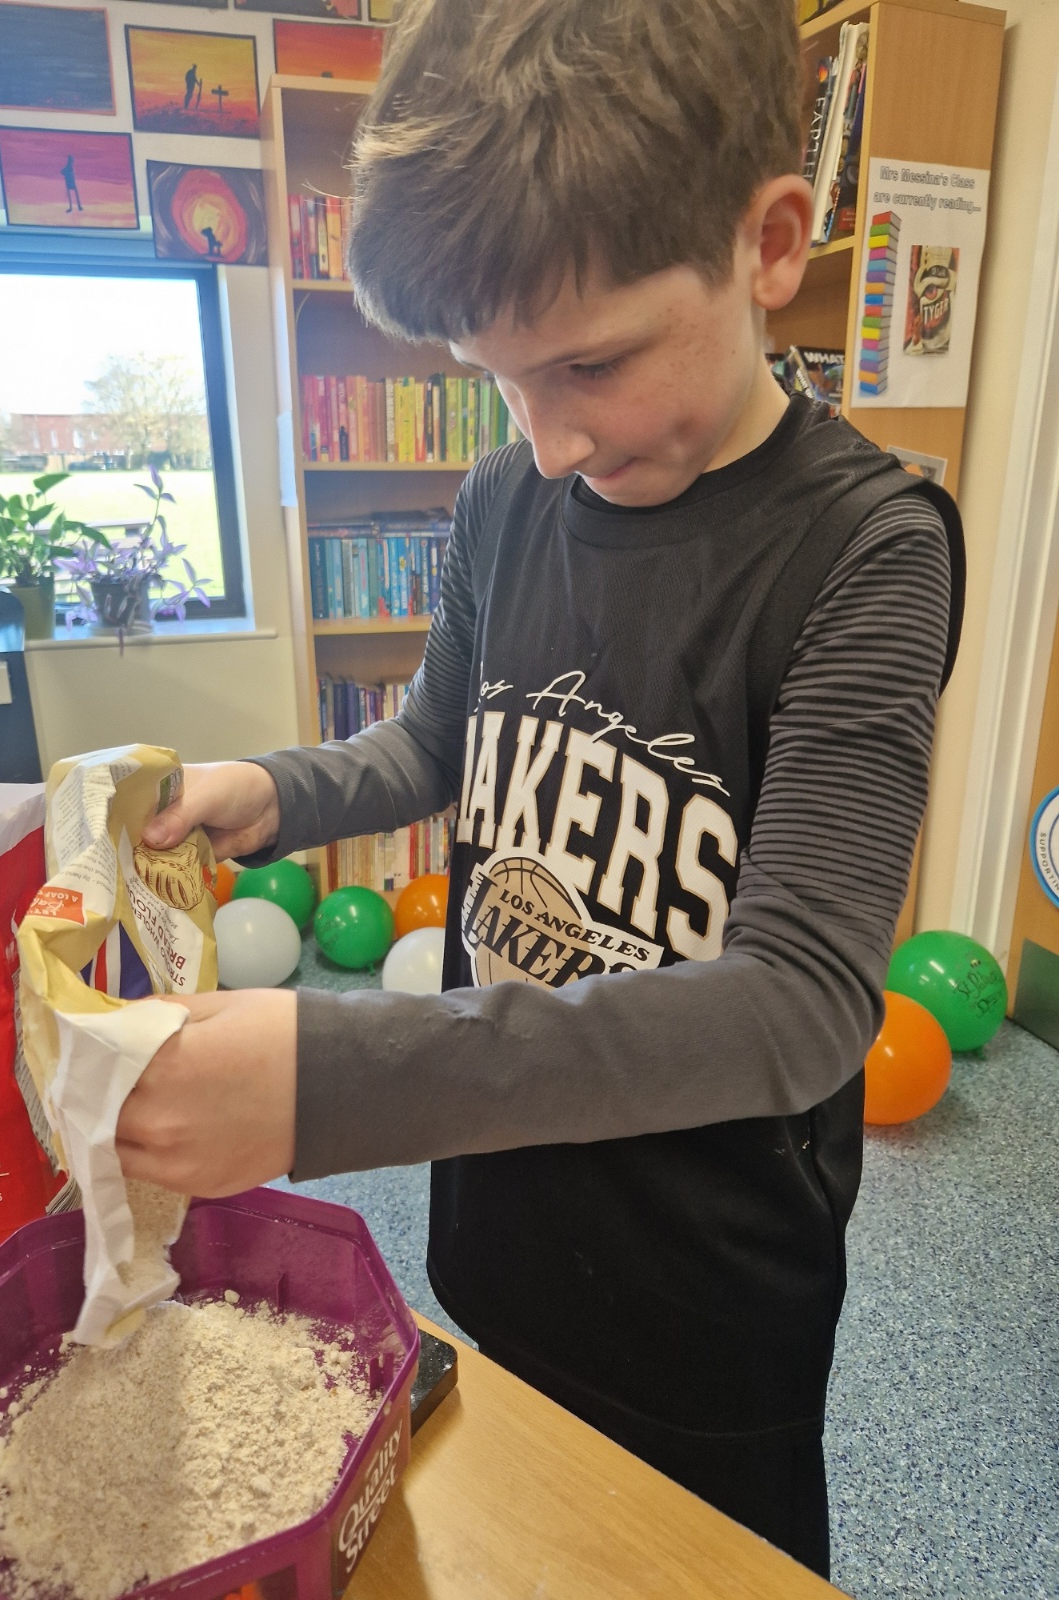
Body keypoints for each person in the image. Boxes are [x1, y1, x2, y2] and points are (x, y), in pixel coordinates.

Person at [120, 0, 963, 1577]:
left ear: (771, 244)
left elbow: (798, 1005)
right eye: (498, 378)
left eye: (591, 362)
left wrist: (327, 1080)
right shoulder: (507, 496)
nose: (551, 438)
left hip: (709, 1289)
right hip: (502, 1224)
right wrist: (271, 791)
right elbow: (435, 747)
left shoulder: (869, 553)